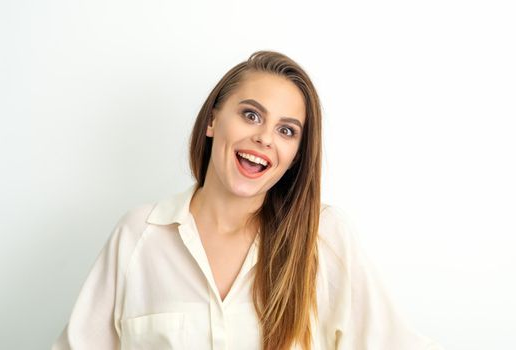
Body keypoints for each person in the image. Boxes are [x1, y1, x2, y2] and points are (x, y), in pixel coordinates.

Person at [52, 50, 443, 350]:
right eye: (251, 115)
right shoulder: (139, 235)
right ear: (212, 120)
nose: (266, 138)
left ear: (295, 156)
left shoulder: (325, 237)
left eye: (287, 130)